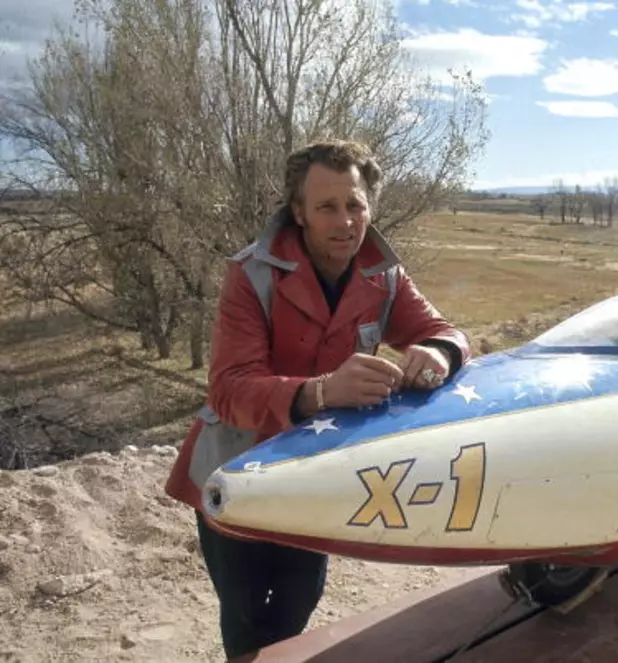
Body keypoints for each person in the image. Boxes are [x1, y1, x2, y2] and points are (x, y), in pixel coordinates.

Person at [163, 139, 472, 659]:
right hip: (237, 466)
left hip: (316, 472)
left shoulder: (383, 274)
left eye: (355, 205)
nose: (345, 221)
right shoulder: (251, 275)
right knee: (244, 610)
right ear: (299, 212)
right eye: (327, 207)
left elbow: (443, 330)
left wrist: (438, 353)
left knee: (299, 598)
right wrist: (323, 392)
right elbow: (229, 387)